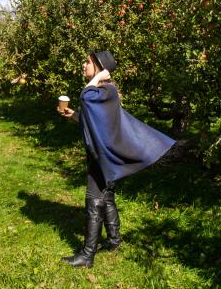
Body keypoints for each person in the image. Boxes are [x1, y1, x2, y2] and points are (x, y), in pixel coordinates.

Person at [57, 50, 176, 268]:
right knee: (107, 196)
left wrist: (98, 77)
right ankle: (113, 239)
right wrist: (74, 116)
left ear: (100, 69)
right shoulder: (106, 91)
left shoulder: (105, 90)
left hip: (103, 156)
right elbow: (97, 120)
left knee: (93, 200)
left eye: (87, 63)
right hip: (103, 154)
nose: (83, 66)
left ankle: (87, 255)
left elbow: (86, 97)